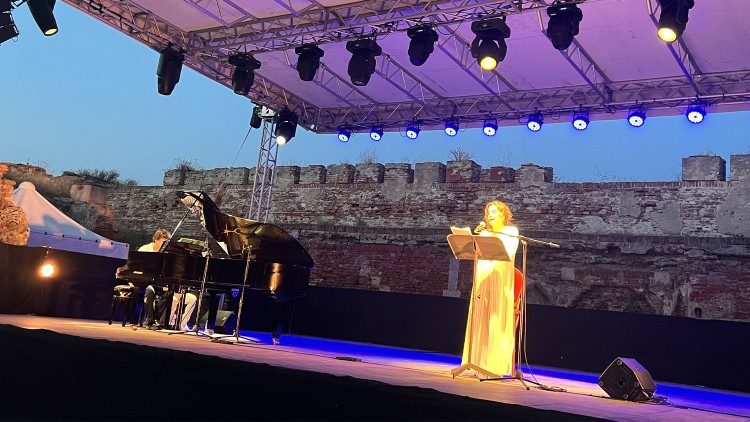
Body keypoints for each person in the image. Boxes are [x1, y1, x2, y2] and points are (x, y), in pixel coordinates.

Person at [461, 199, 520, 378]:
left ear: (504, 214)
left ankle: (493, 365)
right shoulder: (484, 233)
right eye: (489, 212)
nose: (490, 215)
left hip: (499, 282)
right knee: (480, 320)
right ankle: (476, 362)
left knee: (495, 321)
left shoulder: (511, 232)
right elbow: (477, 255)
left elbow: (507, 254)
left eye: (494, 212)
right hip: (483, 280)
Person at [139, 229, 197, 330]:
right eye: (164, 242)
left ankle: (179, 324)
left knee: (187, 297)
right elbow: (139, 268)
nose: (166, 245)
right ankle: (150, 320)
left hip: (162, 285)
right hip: (148, 283)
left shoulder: (167, 255)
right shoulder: (145, 249)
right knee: (150, 290)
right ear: (156, 240)